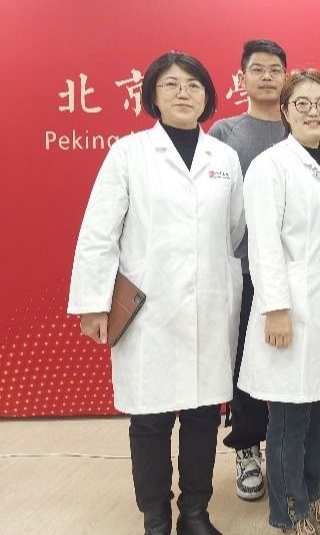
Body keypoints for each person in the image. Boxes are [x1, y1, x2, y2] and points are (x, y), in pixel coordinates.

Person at [68, 51, 245, 535]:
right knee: (150, 418)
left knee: (203, 414)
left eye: (193, 85)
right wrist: (92, 304)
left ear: (207, 96)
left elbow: (234, 230)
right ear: (152, 96)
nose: (183, 93)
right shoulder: (129, 154)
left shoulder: (224, 158)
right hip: (149, 310)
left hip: (209, 305)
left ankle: (195, 512)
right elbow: (99, 231)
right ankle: (155, 516)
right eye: (171, 84)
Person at [238, 70, 320, 535]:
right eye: (302, 103)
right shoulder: (270, 166)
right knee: (289, 417)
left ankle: (311, 503)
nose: (313, 112)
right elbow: (263, 245)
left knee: (319, 415)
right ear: (285, 111)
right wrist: (276, 309)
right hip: (291, 308)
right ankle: (288, 515)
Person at [208, 38, 289, 501]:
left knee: (288, 361)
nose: (267, 77)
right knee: (246, 361)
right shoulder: (225, 132)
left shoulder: (301, 125)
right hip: (242, 271)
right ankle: (247, 450)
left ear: (285, 76)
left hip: (293, 270)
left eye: (275, 69)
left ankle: (286, 450)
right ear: (242, 78)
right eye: (258, 69)